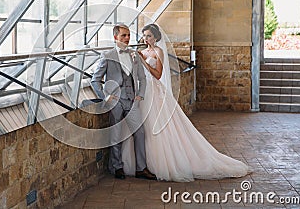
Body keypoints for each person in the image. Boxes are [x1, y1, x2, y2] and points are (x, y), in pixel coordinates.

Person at [121, 23, 250, 181]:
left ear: (155, 37)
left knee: (156, 126)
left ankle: (160, 163)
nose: (146, 38)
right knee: (143, 129)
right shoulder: (140, 52)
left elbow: (158, 74)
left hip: (155, 91)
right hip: (142, 91)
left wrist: (145, 63)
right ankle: (141, 163)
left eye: (149, 35)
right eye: (144, 35)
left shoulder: (159, 52)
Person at [91, 24, 157, 180]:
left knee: (140, 133)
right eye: (123, 36)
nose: (127, 38)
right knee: (116, 135)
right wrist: (105, 97)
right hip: (115, 101)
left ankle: (141, 169)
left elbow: (142, 78)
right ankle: (117, 167)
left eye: (128, 35)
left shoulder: (134, 55)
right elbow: (95, 80)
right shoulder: (107, 55)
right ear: (115, 38)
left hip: (132, 99)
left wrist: (140, 94)